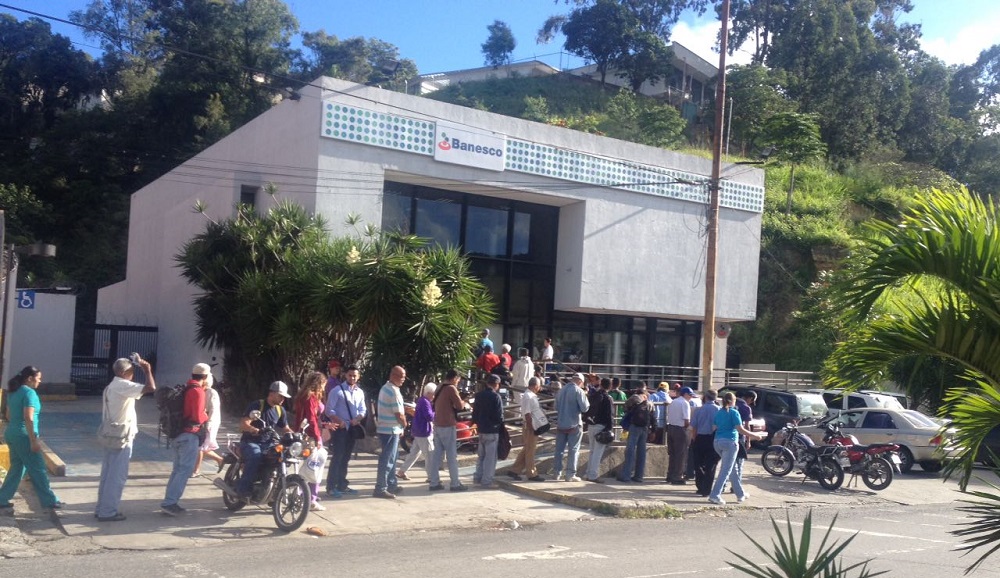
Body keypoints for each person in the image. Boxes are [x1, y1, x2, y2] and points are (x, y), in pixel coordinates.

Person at [95, 357, 156, 521]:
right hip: (121, 436)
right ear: (123, 372)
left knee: (108, 474)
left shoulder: (111, 386)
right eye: (131, 372)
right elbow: (151, 388)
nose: (132, 375)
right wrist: (147, 370)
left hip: (111, 434)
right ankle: (107, 511)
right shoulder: (123, 385)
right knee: (117, 476)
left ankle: (102, 508)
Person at [0, 366, 62, 514]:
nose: (40, 381)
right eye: (38, 378)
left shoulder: (14, 392)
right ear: (30, 378)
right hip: (24, 435)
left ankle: (2, 498)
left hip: (12, 433)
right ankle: (49, 500)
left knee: (18, 468)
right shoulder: (29, 393)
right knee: (38, 468)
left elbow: (10, 413)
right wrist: (33, 440)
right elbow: (28, 417)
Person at [161, 363, 210, 515]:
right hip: (189, 435)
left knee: (177, 470)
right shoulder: (197, 391)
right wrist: (206, 415)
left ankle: (168, 501)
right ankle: (170, 503)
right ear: (206, 377)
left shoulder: (185, 388)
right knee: (184, 470)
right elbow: (197, 416)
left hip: (177, 434)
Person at [235, 380, 292, 500]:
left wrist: (296, 435)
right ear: (272, 393)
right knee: (256, 456)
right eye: (280, 396)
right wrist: (253, 429)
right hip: (250, 442)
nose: (283, 399)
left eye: (284, 396)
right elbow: (243, 423)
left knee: (282, 457)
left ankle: (275, 493)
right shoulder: (257, 405)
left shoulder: (280, 410)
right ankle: (243, 490)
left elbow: (285, 428)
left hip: (269, 443)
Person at [709, 391, 767, 506]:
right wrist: (755, 436)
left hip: (717, 442)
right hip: (730, 442)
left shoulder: (718, 412)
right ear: (733, 401)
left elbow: (713, 428)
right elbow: (741, 430)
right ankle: (715, 495)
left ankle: (740, 494)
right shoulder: (734, 412)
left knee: (732, 469)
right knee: (726, 470)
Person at [325, 364, 365, 498]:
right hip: (340, 429)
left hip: (352, 429)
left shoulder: (360, 392)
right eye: (350, 375)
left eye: (355, 375)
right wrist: (339, 421)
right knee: (337, 457)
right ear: (345, 375)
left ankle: (342, 484)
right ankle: (331, 487)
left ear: (358, 376)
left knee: (346, 458)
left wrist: (358, 418)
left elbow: (363, 410)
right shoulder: (337, 391)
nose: (352, 378)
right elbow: (329, 410)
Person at [428, 369, 469, 492]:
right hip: (448, 424)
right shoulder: (451, 388)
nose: (458, 382)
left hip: (438, 424)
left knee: (437, 455)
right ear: (454, 378)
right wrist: (465, 402)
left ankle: (434, 482)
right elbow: (459, 406)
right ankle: (455, 483)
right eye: (458, 380)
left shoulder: (440, 386)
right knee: (451, 456)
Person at [294, 371, 328, 510]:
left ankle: (303, 494)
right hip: (310, 436)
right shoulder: (311, 398)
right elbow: (312, 418)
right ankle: (311, 498)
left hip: (303, 433)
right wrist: (317, 437)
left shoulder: (303, 396)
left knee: (308, 466)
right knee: (315, 466)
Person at [374, 366, 407, 499]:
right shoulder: (393, 391)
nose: (403, 380)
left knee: (392, 459)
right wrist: (405, 424)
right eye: (401, 377)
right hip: (390, 429)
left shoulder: (385, 388)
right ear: (393, 376)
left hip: (389, 428)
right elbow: (398, 413)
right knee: (387, 460)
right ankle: (380, 488)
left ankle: (391, 484)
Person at [551, 373, 589, 482]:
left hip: (561, 423)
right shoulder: (578, 391)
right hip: (574, 424)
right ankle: (570, 474)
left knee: (559, 450)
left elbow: (556, 407)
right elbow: (585, 408)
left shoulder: (561, 390)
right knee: (573, 450)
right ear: (580, 382)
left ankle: (556, 473)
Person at [508, 376, 546, 482]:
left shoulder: (529, 395)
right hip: (530, 425)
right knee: (530, 450)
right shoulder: (529, 396)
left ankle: (515, 470)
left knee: (527, 448)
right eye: (539, 386)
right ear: (536, 386)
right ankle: (531, 473)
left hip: (530, 424)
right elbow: (527, 414)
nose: (539, 388)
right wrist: (532, 427)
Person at [398, 383, 436, 481]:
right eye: (433, 394)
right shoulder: (425, 402)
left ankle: (402, 471)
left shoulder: (421, 401)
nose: (434, 396)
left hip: (419, 431)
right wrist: (437, 413)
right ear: (429, 393)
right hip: (424, 432)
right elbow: (429, 416)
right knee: (430, 455)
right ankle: (431, 477)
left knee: (414, 453)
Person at [472, 374, 504, 487]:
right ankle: (487, 481)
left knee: (481, 456)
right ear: (496, 384)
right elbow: (499, 417)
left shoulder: (479, 395)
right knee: (490, 459)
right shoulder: (496, 397)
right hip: (492, 430)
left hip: (481, 429)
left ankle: (477, 477)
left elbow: (474, 413)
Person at [618, 382, 653, 483]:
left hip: (634, 427)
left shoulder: (634, 398)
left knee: (630, 451)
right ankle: (639, 476)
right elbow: (653, 417)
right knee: (642, 452)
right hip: (645, 428)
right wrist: (653, 430)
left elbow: (625, 407)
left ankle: (626, 476)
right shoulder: (650, 403)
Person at [690, 389, 721, 497]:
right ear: (716, 398)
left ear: (705, 397)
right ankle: (707, 489)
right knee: (711, 465)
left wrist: (694, 439)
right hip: (713, 439)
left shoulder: (698, 410)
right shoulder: (719, 410)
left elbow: (694, 427)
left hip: (700, 438)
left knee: (698, 464)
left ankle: (700, 486)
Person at [193, 371, 224, 477]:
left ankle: (196, 470)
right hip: (200, 422)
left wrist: (209, 423)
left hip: (210, 422)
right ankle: (220, 460)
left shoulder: (211, 392)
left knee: (200, 446)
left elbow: (214, 409)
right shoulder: (198, 391)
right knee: (203, 447)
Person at [584, 378, 614, 483]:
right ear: (610, 386)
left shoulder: (594, 395)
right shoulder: (607, 398)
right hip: (601, 426)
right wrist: (610, 428)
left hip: (591, 425)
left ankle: (588, 473)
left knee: (592, 451)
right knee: (598, 452)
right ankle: (593, 475)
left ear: (601, 384)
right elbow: (610, 415)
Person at [666, 386, 695, 485]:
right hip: (680, 429)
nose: (691, 397)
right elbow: (686, 420)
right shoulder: (685, 403)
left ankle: (670, 474)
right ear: (685, 394)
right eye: (690, 395)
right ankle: (678, 476)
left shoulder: (674, 401)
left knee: (672, 453)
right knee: (681, 454)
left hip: (671, 428)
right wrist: (690, 429)